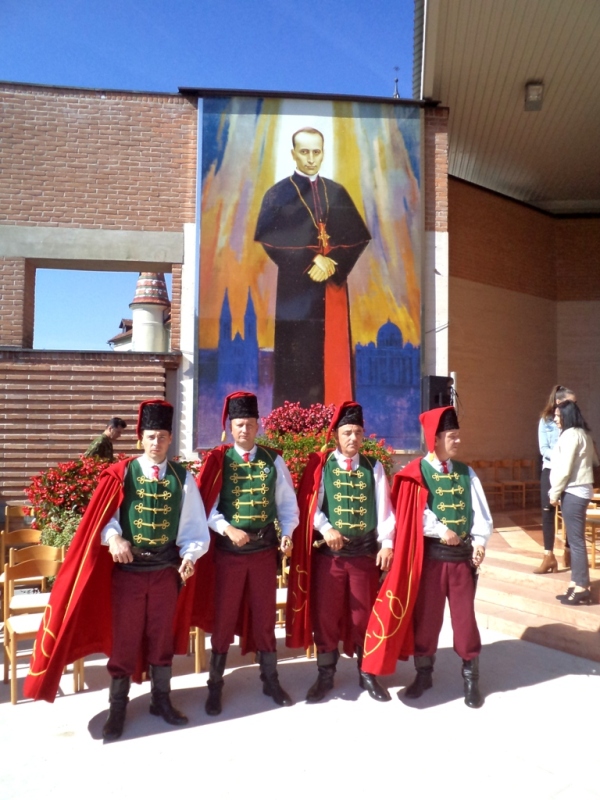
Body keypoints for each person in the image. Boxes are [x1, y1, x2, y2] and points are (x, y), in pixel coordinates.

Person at [24, 399, 210, 742]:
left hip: (165, 572)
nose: (156, 443)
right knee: (125, 639)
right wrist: (114, 538)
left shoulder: (183, 479)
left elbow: (194, 525)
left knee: (161, 636)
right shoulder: (121, 473)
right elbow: (103, 518)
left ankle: (161, 701)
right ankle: (118, 708)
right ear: (141, 439)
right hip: (129, 573)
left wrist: (190, 555)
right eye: (151, 436)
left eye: (163, 437)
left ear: (170, 439)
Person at [360, 406, 492, 709]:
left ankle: (471, 679)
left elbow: (480, 512)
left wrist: (480, 542)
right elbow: (411, 513)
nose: (458, 441)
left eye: (458, 435)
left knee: (465, 620)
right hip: (431, 560)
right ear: (436, 438)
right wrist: (441, 529)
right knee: (427, 620)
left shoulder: (466, 472)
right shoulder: (414, 473)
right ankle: (424, 675)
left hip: (461, 561)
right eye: (452, 436)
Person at [254, 127, 371, 409]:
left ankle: (337, 416)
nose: (310, 158)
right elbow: (269, 238)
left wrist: (333, 262)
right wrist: (311, 258)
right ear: (293, 154)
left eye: (316, 152)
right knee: (298, 358)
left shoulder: (336, 192)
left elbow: (358, 237)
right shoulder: (278, 194)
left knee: (334, 355)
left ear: (323, 153)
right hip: (296, 292)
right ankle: (300, 422)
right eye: (304, 152)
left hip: (332, 286)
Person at [286, 401, 395, 703]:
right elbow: (308, 504)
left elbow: (385, 509)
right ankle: (325, 674)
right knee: (326, 616)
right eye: (347, 432)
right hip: (330, 558)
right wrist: (326, 528)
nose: (353, 438)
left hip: (363, 556)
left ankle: (367, 672)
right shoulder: (321, 465)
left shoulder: (374, 467)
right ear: (336, 435)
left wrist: (387, 543)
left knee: (363, 617)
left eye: (358, 432)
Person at [198, 391, 299, 715]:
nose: (245, 429)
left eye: (250, 424)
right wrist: (228, 529)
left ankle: (270, 680)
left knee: (265, 617)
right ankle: (215, 685)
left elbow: (287, 505)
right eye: (239, 424)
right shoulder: (219, 460)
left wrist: (287, 533)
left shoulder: (273, 460)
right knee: (224, 618)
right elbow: (207, 508)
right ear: (231, 427)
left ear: (258, 426)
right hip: (229, 554)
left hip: (263, 552)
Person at [550, 400, 598, 605]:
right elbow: (595, 462)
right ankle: (575, 583)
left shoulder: (570, 435)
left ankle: (582, 587)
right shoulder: (583, 434)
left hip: (574, 490)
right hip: (580, 489)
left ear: (567, 416)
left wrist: (554, 492)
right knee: (574, 539)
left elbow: (565, 468)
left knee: (576, 541)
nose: (555, 419)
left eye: (557, 415)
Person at [535, 385, 576, 574]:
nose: (574, 405)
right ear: (558, 402)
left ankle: (569, 550)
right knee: (547, 512)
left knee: (569, 510)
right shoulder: (546, 421)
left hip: (569, 471)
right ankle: (548, 556)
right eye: (571, 402)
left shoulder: (574, 422)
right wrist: (560, 456)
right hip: (551, 468)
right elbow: (543, 449)